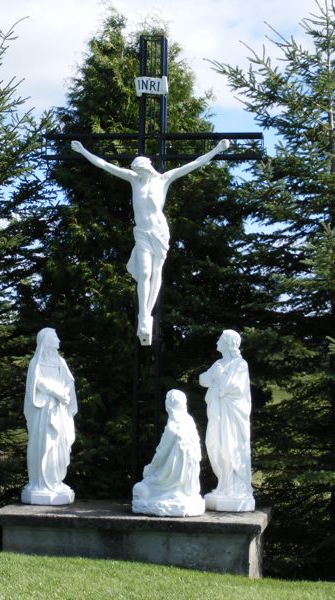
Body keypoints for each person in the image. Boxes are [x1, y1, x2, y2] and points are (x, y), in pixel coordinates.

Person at [71, 139, 230, 345]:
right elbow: (105, 165)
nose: (137, 172)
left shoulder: (164, 179)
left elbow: (195, 163)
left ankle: (147, 313)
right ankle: (143, 316)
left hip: (159, 232)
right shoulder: (133, 179)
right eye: (135, 169)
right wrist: (83, 150)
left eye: (139, 169)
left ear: (147, 168)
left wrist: (217, 150)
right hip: (142, 232)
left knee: (156, 273)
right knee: (144, 273)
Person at [199, 329, 255, 511]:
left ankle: (234, 488)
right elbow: (203, 379)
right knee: (214, 444)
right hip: (217, 412)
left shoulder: (240, 364)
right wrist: (215, 377)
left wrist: (217, 378)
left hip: (233, 415)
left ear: (228, 343)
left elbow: (232, 387)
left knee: (231, 447)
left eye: (220, 339)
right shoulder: (218, 363)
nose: (217, 341)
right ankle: (223, 484)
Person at [21, 328, 77, 505]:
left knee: (59, 443)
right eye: (55, 337)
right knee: (45, 444)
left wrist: (65, 393)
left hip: (58, 410)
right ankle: (40, 484)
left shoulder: (60, 361)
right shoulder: (36, 362)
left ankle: (55, 481)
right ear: (47, 341)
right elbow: (37, 384)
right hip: (43, 410)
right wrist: (57, 393)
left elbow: (69, 381)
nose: (59, 340)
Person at [132, 389, 205, 517]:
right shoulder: (189, 421)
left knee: (144, 485)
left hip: (172, 475)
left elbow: (161, 453)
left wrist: (150, 468)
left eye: (166, 400)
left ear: (169, 404)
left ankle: (171, 493)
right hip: (188, 475)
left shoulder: (173, 426)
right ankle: (178, 493)